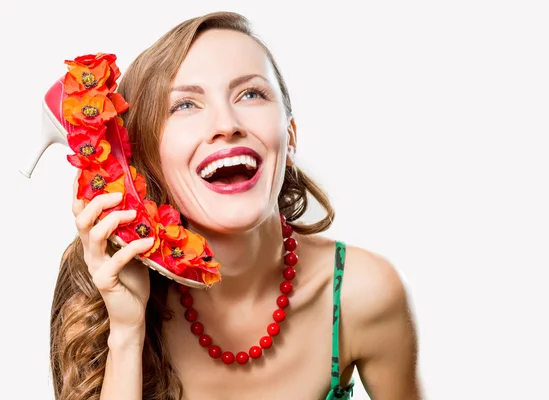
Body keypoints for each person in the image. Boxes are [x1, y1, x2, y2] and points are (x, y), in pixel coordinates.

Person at [49, 11, 421, 400]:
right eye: (185, 105)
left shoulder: (363, 294)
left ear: (289, 137)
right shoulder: (96, 295)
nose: (226, 123)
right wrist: (126, 333)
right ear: (144, 159)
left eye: (251, 94)